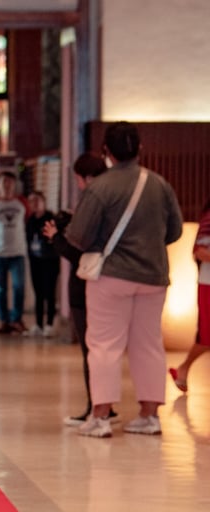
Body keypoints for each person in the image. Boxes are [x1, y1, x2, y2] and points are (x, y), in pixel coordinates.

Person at [65, 121, 183, 438]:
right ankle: (149, 415)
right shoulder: (159, 184)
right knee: (149, 345)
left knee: (104, 345)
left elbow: (78, 236)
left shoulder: (101, 188)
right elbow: (174, 231)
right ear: (139, 148)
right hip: (153, 275)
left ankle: (101, 417)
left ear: (106, 150)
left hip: (111, 276)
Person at [43, 152, 118, 426]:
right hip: (111, 281)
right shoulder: (114, 202)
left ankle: (97, 409)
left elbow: (78, 252)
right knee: (105, 350)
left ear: (86, 178)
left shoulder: (93, 202)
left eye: (77, 179)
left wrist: (55, 238)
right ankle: (104, 407)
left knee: (92, 351)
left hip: (87, 286)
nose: (78, 185)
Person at [169, 198, 210, 392]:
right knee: (206, 335)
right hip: (208, 283)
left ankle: (183, 369)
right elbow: (199, 251)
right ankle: (184, 368)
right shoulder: (208, 219)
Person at [0, 170, 29, 334]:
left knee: (19, 287)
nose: (8, 185)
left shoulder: (22, 203)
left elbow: (27, 221)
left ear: (15, 185)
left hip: (18, 252)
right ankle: (4, 321)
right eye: (4, 182)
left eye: (10, 182)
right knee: (0, 289)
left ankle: (16, 320)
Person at [25, 191, 60, 337]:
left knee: (49, 292)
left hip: (50, 260)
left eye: (37, 200)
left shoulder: (51, 219)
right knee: (38, 292)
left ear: (43, 202)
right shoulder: (30, 220)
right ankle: (38, 324)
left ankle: (49, 324)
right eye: (31, 201)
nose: (34, 204)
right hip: (35, 260)